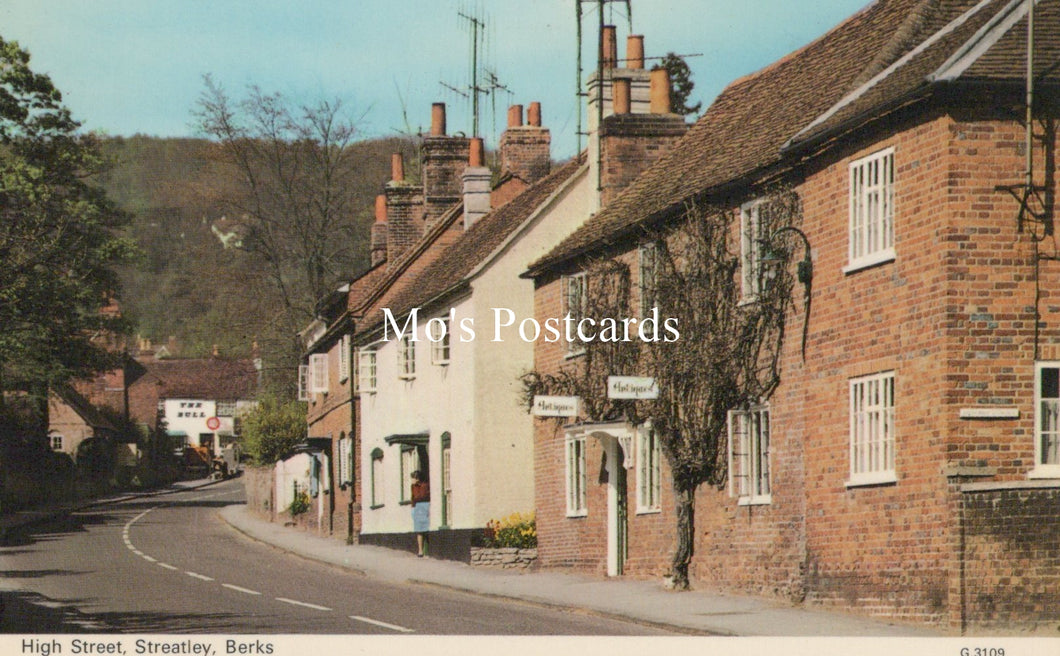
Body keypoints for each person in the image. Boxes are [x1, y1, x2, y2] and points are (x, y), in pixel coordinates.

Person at [410, 470, 430, 557]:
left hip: (423, 506)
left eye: (413, 478)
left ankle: (425, 550)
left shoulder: (424, 486)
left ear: (417, 478)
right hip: (416, 507)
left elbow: (420, 496)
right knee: (419, 529)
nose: (412, 480)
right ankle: (420, 551)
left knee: (423, 529)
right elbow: (413, 497)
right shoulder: (413, 486)